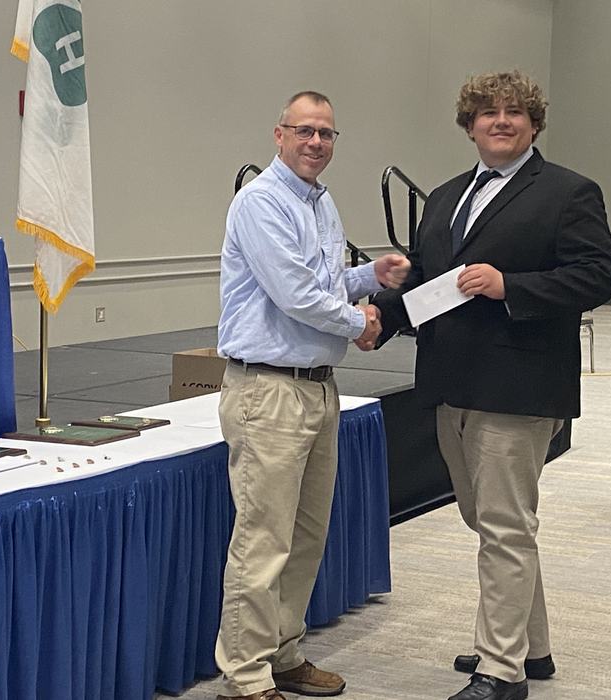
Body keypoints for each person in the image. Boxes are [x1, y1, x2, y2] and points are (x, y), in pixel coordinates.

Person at [370, 71, 611, 700]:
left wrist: (514, 287)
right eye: (487, 113)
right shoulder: (448, 196)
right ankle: (529, 649)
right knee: (490, 520)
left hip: (520, 386)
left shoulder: (569, 192)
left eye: (514, 112)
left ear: (534, 124)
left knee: (505, 526)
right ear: (470, 125)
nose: (500, 121)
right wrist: (384, 318)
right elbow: (432, 281)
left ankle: (500, 671)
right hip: (450, 383)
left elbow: (597, 276)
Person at [215, 90, 410, 700]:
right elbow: (295, 295)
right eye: (305, 131)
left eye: (326, 134)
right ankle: (245, 678)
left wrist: (367, 278)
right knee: (263, 539)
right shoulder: (262, 202)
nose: (316, 143)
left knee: (305, 536)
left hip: (317, 391)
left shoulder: (320, 203)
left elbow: (321, 282)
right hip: (268, 392)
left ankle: (283, 653)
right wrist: (363, 321)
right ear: (279, 135)